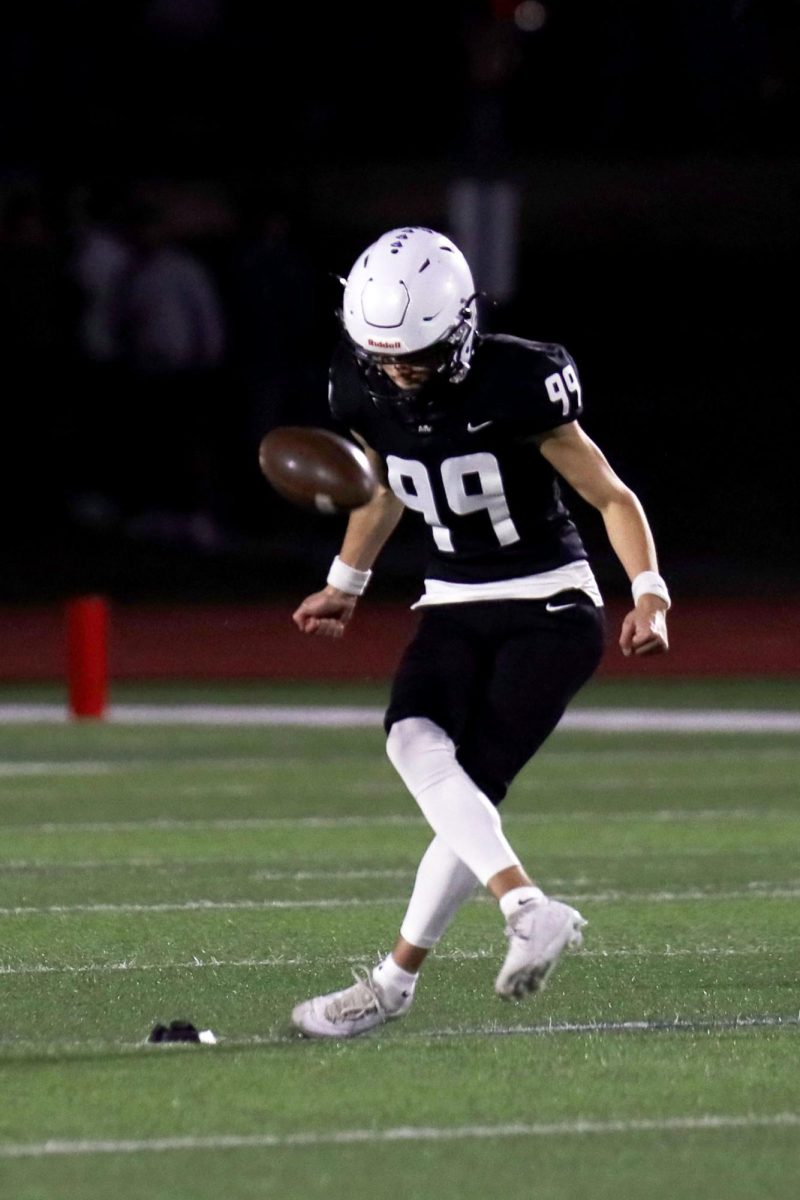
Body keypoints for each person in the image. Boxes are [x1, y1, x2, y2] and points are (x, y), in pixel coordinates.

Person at [290, 226, 669, 1038]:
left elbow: (611, 497)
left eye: (415, 358)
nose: (396, 373)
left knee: (469, 793)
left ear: (460, 327)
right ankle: (503, 922)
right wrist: (344, 583)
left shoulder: (517, 382)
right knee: (420, 752)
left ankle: (406, 976)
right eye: (382, 356)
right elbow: (383, 488)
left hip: (550, 607)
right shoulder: (361, 390)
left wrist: (650, 592)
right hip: (453, 600)